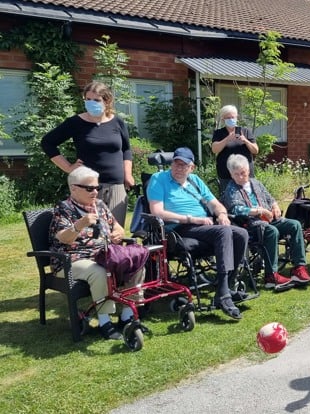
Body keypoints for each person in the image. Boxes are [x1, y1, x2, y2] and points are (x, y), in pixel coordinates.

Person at [146, 147, 249, 320]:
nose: (179, 168)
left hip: (203, 226)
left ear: (191, 168)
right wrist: (191, 219)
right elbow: (157, 212)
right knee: (223, 233)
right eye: (176, 164)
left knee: (240, 233)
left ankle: (227, 285)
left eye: (184, 165)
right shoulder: (158, 179)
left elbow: (215, 204)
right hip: (178, 229)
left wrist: (222, 215)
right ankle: (222, 295)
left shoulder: (195, 180)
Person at [49, 166, 145, 340]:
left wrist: (118, 231)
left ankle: (127, 316)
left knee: (137, 262)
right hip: (72, 260)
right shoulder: (63, 209)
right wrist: (80, 224)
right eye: (90, 188)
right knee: (99, 271)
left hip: (103, 253)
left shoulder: (99, 205)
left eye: (97, 188)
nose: (95, 192)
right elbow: (63, 238)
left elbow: (115, 224)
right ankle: (104, 322)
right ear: (74, 188)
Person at [41, 81, 134, 225]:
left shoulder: (118, 122)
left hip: (115, 186)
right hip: (87, 187)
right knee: (91, 233)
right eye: (88, 99)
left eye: (96, 100)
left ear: (107, 101)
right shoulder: (75, 122)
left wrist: (128, 174)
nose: (91, 103)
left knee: (116, 233)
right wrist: (68, 168)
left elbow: (126, 150)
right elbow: (47, 143)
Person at [222, 154, 310, 290]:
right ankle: (271, 276)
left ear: (248, 170)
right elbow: (236, 209)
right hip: (251, 225)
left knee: (295, 225)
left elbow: (270, 198)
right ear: (231, 174)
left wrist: (275, 206)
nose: (241, 177)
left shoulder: (256, 183)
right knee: (272, 231)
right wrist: (260, 211)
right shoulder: (231, 189)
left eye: (243, 173)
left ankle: (299, 268)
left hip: (269, 220)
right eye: (237, 174)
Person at [211, 104, 259, 191]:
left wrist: (245, 140)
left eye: (233, 117)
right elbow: (214, 149)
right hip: (226, 174)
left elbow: (255, 150)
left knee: (248, 197)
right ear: (223, 119)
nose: (231, 119)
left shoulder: (246, 131)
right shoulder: (219, 133)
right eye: (228, 118)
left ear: (237, 117)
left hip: (245, 173)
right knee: (228, 199)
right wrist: (227, 139)